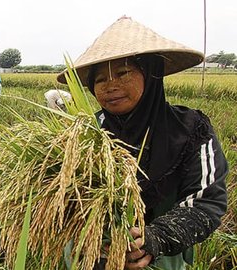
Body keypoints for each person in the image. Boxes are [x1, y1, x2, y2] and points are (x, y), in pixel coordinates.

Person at [57, 16, 228, 269]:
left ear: (151, 75)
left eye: (124, 72)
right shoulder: (84, 132)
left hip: (158, 259)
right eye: (100, 79)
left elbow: (207, 201)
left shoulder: (191, 129)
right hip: (89, 257)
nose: (110, 86)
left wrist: (156, 238)